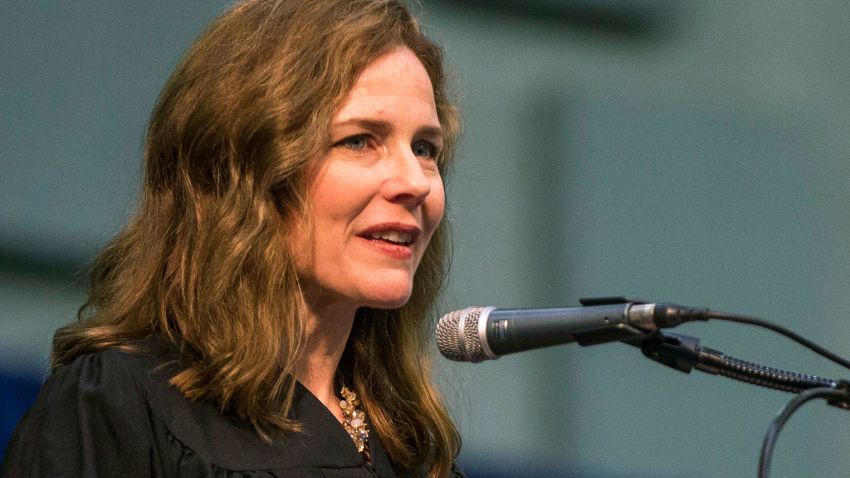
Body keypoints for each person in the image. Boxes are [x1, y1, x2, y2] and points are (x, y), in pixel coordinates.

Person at [2, 0, 464, 476]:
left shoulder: (413, 453)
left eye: (425, 148)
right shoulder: (121, 407)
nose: (416, 182)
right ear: (246, 170)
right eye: (359, 140)